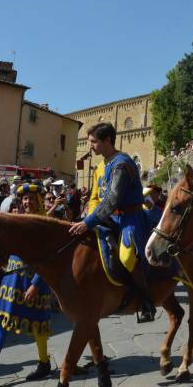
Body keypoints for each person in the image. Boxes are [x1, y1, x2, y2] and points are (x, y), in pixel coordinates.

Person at [69, 123, 155, 322]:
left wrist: (88, 222)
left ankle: (146, 300)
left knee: (126, 257)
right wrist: (90, 215)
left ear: (107, 140)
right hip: (108, 217)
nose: (90, 146)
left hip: (129, 217)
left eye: (93, 142)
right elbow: (96, 197)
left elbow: (112, 199)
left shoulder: (121, 164)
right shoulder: (103, 165)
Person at [0, 184, 53, 381]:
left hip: (35, 279)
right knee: (2, 321)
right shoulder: (17, 221)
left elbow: (48, 259)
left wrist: (36, 284)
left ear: (39, 201)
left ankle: (44, 363)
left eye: (31, 198)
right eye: (24, 199)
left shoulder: (46, 224)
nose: (27, 202)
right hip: (12, 278)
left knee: (39, 324)